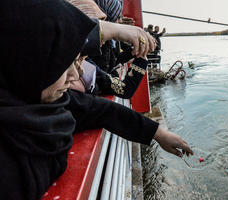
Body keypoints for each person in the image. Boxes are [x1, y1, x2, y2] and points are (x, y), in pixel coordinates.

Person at [0, 1, 193, 200]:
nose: (77, 74)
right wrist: (140, 56)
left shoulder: (51, 101)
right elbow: (122, 90)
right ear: (32, 62)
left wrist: (157, 132)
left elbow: (98, 108)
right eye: (67, 63)